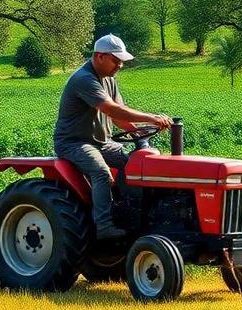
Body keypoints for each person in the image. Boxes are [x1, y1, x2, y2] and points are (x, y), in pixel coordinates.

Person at [54, 34, 172, 240]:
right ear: (99, 56)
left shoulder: (109, 79)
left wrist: (140, 134)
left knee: (133, 165)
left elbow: (120, 118)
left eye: (121, 61)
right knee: (101, 172)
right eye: (116, 60)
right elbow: (112, 110)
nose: (120, 65)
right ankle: (105, 227)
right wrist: (152, 118)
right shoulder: (84, 79)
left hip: (101, 142)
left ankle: (130, 215)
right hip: (75, 143)